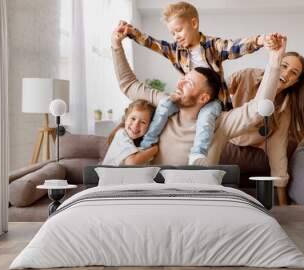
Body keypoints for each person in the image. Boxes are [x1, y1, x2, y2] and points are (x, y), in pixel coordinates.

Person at [117, 1, 280, 165]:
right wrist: (131, 32)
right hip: (188, 101)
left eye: (179, 30)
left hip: (212, 103)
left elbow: (235, 46)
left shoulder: (212, 46)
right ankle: (147, 144)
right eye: (172, 33)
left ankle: (197, 154)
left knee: (206, 117)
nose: (176, 36)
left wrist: (260, 40)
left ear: (193, 23)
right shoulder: (176, 50)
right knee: (165, 103)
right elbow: (153, 44)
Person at [227, 52, 304, 204]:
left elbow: (278, 150)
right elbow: (214, 93)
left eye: (293, 73)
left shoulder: (284, 109)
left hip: (256, 144)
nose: (286, 73)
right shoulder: (246, 76)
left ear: (295, 82)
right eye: (284, 66)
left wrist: (283, 202)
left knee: (282, 151)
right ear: (273, 64)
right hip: (226, 136)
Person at [102, 99, 159, 166]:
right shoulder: (121, 134)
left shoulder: (144, 142)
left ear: (149, 126)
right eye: (133, 118)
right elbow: (132, 162)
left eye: (143, 122)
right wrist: (155, 149)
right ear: (126, 118)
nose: (136, 125)